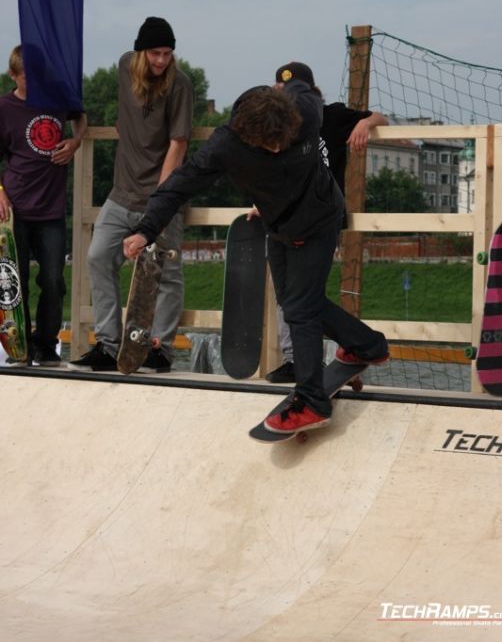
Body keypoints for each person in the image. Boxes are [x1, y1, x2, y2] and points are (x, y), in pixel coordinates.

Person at [123, 71, 388, 435]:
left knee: (300, 309)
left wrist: (288, 87)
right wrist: (145, 229)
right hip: (278, 226)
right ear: (247, 136)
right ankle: (368, 345)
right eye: (269, 145)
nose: (278, 149)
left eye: (284, 141)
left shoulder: (307, 109)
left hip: (321, 216)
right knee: (295, 301)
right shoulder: (224, 145)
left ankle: (311, 400)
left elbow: (299, 84)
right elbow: (177, 187)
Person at [69, 17, 193, 373]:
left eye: (168, 54)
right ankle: (109, 346)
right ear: (141, 52)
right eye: (155, 53)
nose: (161, 61)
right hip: (122, 193)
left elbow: (178, 143)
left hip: (161, 197)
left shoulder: (180, 84)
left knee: (166, 272)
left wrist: (163, 197)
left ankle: (161, 350)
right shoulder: (125, 66)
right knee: (97, 257)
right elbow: (125, 118)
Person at [265, 61, 389, 383]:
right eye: (281, 92)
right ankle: (310, 359)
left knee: (303, 298)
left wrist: (365, 124)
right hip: (285, 219)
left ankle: (347, 351)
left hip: (321, 218)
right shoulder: (277, 123)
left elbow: (380, 117)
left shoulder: (329, 115)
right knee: (290, 298)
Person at [0, 45, 87, 366]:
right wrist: (0, 193)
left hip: (51, 209)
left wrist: (76, 142)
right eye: (27, 76)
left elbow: (80, 115)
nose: (34, 82)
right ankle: (19, 348)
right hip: (15, 210)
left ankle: (45, 344)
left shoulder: (56, 96)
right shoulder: (5, 108)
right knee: (15, 280)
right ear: (13, 75)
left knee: (53, 280)